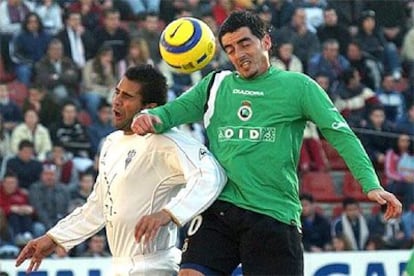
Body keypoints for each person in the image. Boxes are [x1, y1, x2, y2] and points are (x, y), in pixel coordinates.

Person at [131, 10, 402, 275]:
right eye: (230, 49)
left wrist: (370, 184)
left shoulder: (299, 86)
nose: (238, 54)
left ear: (266, 42)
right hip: (219, 209)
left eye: (244, 43)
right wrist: (147, 117)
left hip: (272, 214)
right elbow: (168, 114)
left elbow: (341, 135)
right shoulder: (215, 85)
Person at [15, 65, 227, 275]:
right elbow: (98, 207)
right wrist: (54, 238)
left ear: (149, 106)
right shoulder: (111, 142)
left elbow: (212, 175)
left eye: (127, 96)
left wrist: (170, 213)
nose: (116, 100)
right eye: (117, 92)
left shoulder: (166, 141)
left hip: (155, 266)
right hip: (119, 266)